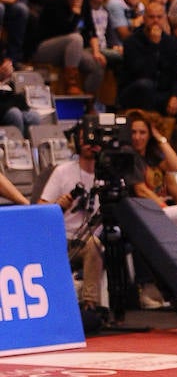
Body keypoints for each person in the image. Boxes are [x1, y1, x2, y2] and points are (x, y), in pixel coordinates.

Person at [39, 119, 104, 314]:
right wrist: (58, 206)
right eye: (85, 139)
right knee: (94, 244)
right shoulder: (62, 172)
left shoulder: (106, 174)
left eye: (94, 139)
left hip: (92, 240)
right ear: (76, 142)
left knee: (95, 244)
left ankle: (90, 304)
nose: (89, 144)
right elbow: (40, 209)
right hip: (63, 241)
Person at [127, 109, 177, 231]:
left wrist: (159, 138)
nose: (137, 137)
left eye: (143, 132)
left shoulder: (152, 153)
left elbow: (174, 166)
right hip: (147, 214)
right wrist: (167, 211)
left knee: (168, 176)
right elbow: (141, 191)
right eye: (133, 132)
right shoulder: (130, 156)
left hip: (165, 209)